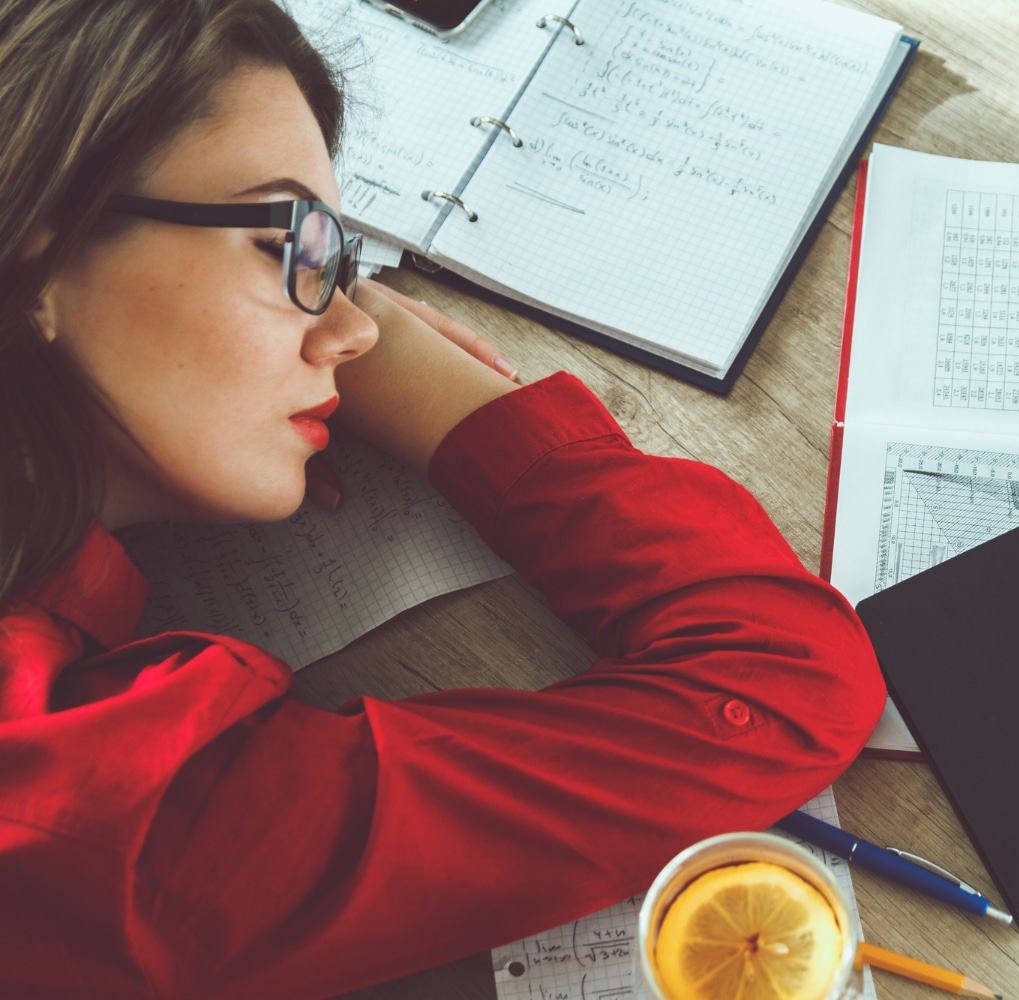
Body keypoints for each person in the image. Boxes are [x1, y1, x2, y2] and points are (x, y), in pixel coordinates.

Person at [0, 1, 886, 996]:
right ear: (39, 251)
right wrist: (439, 396)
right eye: (290, 246)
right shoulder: (109, 817)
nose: (353, 330)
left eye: (343, 268)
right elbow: (776, 677)